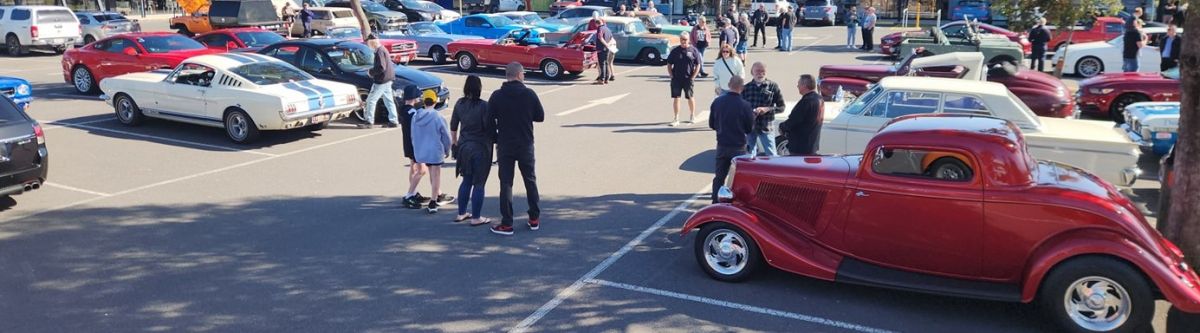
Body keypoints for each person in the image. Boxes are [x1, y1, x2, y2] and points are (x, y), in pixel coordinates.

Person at [488, 62, 544, 236]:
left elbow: (489, 121)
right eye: (524, 74)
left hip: (505, 144)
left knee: (506, 183)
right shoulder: (529, 94)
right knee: (530, 180)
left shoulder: (497, 96)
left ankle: (507, 223)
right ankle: (534, 217)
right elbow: (540, 116)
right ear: (519, 75)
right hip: (525, 143)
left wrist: (496, 138)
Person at [451, 75, 494, 225]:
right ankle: (476, 217)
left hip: (464, 147)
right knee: (479, 183)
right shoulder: (484, 106)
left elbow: (453, 126)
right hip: (480, 147)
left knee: (466, 181)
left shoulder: (459, 104)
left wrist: (455, 144)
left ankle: (461, 212)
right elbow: (488, 128)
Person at [709, 75, 757, 203]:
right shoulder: (745, 105)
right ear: (742, 88)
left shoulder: (717, 102)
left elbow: (711, 124)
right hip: (738, 146)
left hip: (722, 144)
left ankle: (715, 202)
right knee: (739, 177)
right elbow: (749, 128)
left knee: (719, 177)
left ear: (729, 85)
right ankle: (736, 202)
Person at [411, 97, 453, 214]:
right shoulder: (437, 116)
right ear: (435, 102)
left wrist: (417, 149)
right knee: (436, 175)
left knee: (430, 171)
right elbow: (446, 136)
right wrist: (447, 149)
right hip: (435, 150)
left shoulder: (416, 117)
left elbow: (413, 135)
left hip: (422, 151)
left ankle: (436, 195)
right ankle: (434, 200)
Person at [742, 62, 785, 156]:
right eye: (757, 71)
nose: (760, 73)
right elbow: (740, 108)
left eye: (763, 71)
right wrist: (750, 112)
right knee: (749, 155)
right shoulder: (746, 88)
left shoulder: (773, 86)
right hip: (750, 127)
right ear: (752, 72)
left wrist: (767, 109)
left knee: (771, 154)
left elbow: (782, 107)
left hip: (766, 126)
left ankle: (772, 170)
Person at [359, 34, 399, 129]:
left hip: (382, 80)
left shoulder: (379, 52)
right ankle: (394, 120)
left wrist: (371, 72)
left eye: (368, 43)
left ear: (372, 42)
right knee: (388, 100)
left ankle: (369, 121)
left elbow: (381, 67)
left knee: (371, 100)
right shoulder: (383, 49)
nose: (368, 45)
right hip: (388, 78)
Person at [782, 74, 822, 155]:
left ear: (804, 85)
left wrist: (782, 126)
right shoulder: (819, 99)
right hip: (812, 144)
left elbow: (794, 120)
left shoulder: (807, 101)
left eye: (799, 84)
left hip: (800, 147)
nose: (797, 86)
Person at [667, 32, 702, 126]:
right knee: (676, 98)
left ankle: (692, 115)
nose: (683, 41)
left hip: (688, 79)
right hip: (677, 79)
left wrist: (693, 76)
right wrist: (671, 75)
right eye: (682, 39)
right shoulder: (675, 51)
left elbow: (698, 64)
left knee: (690, 97)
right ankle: (676, 118)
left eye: (685, 39)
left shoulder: (693, 50)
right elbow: (669, 63)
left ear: (689, 40)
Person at [594, 17, 615, 85]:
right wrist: (608, 44)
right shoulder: (607, 28)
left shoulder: (600, 29)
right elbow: (612, 38)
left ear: (597, 24)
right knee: (606, 63)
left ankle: (602, 79)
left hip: (601, 48)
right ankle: (606, 78)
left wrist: (606, 44)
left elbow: (600, 38)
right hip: (607, 49)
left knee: (602, 64)